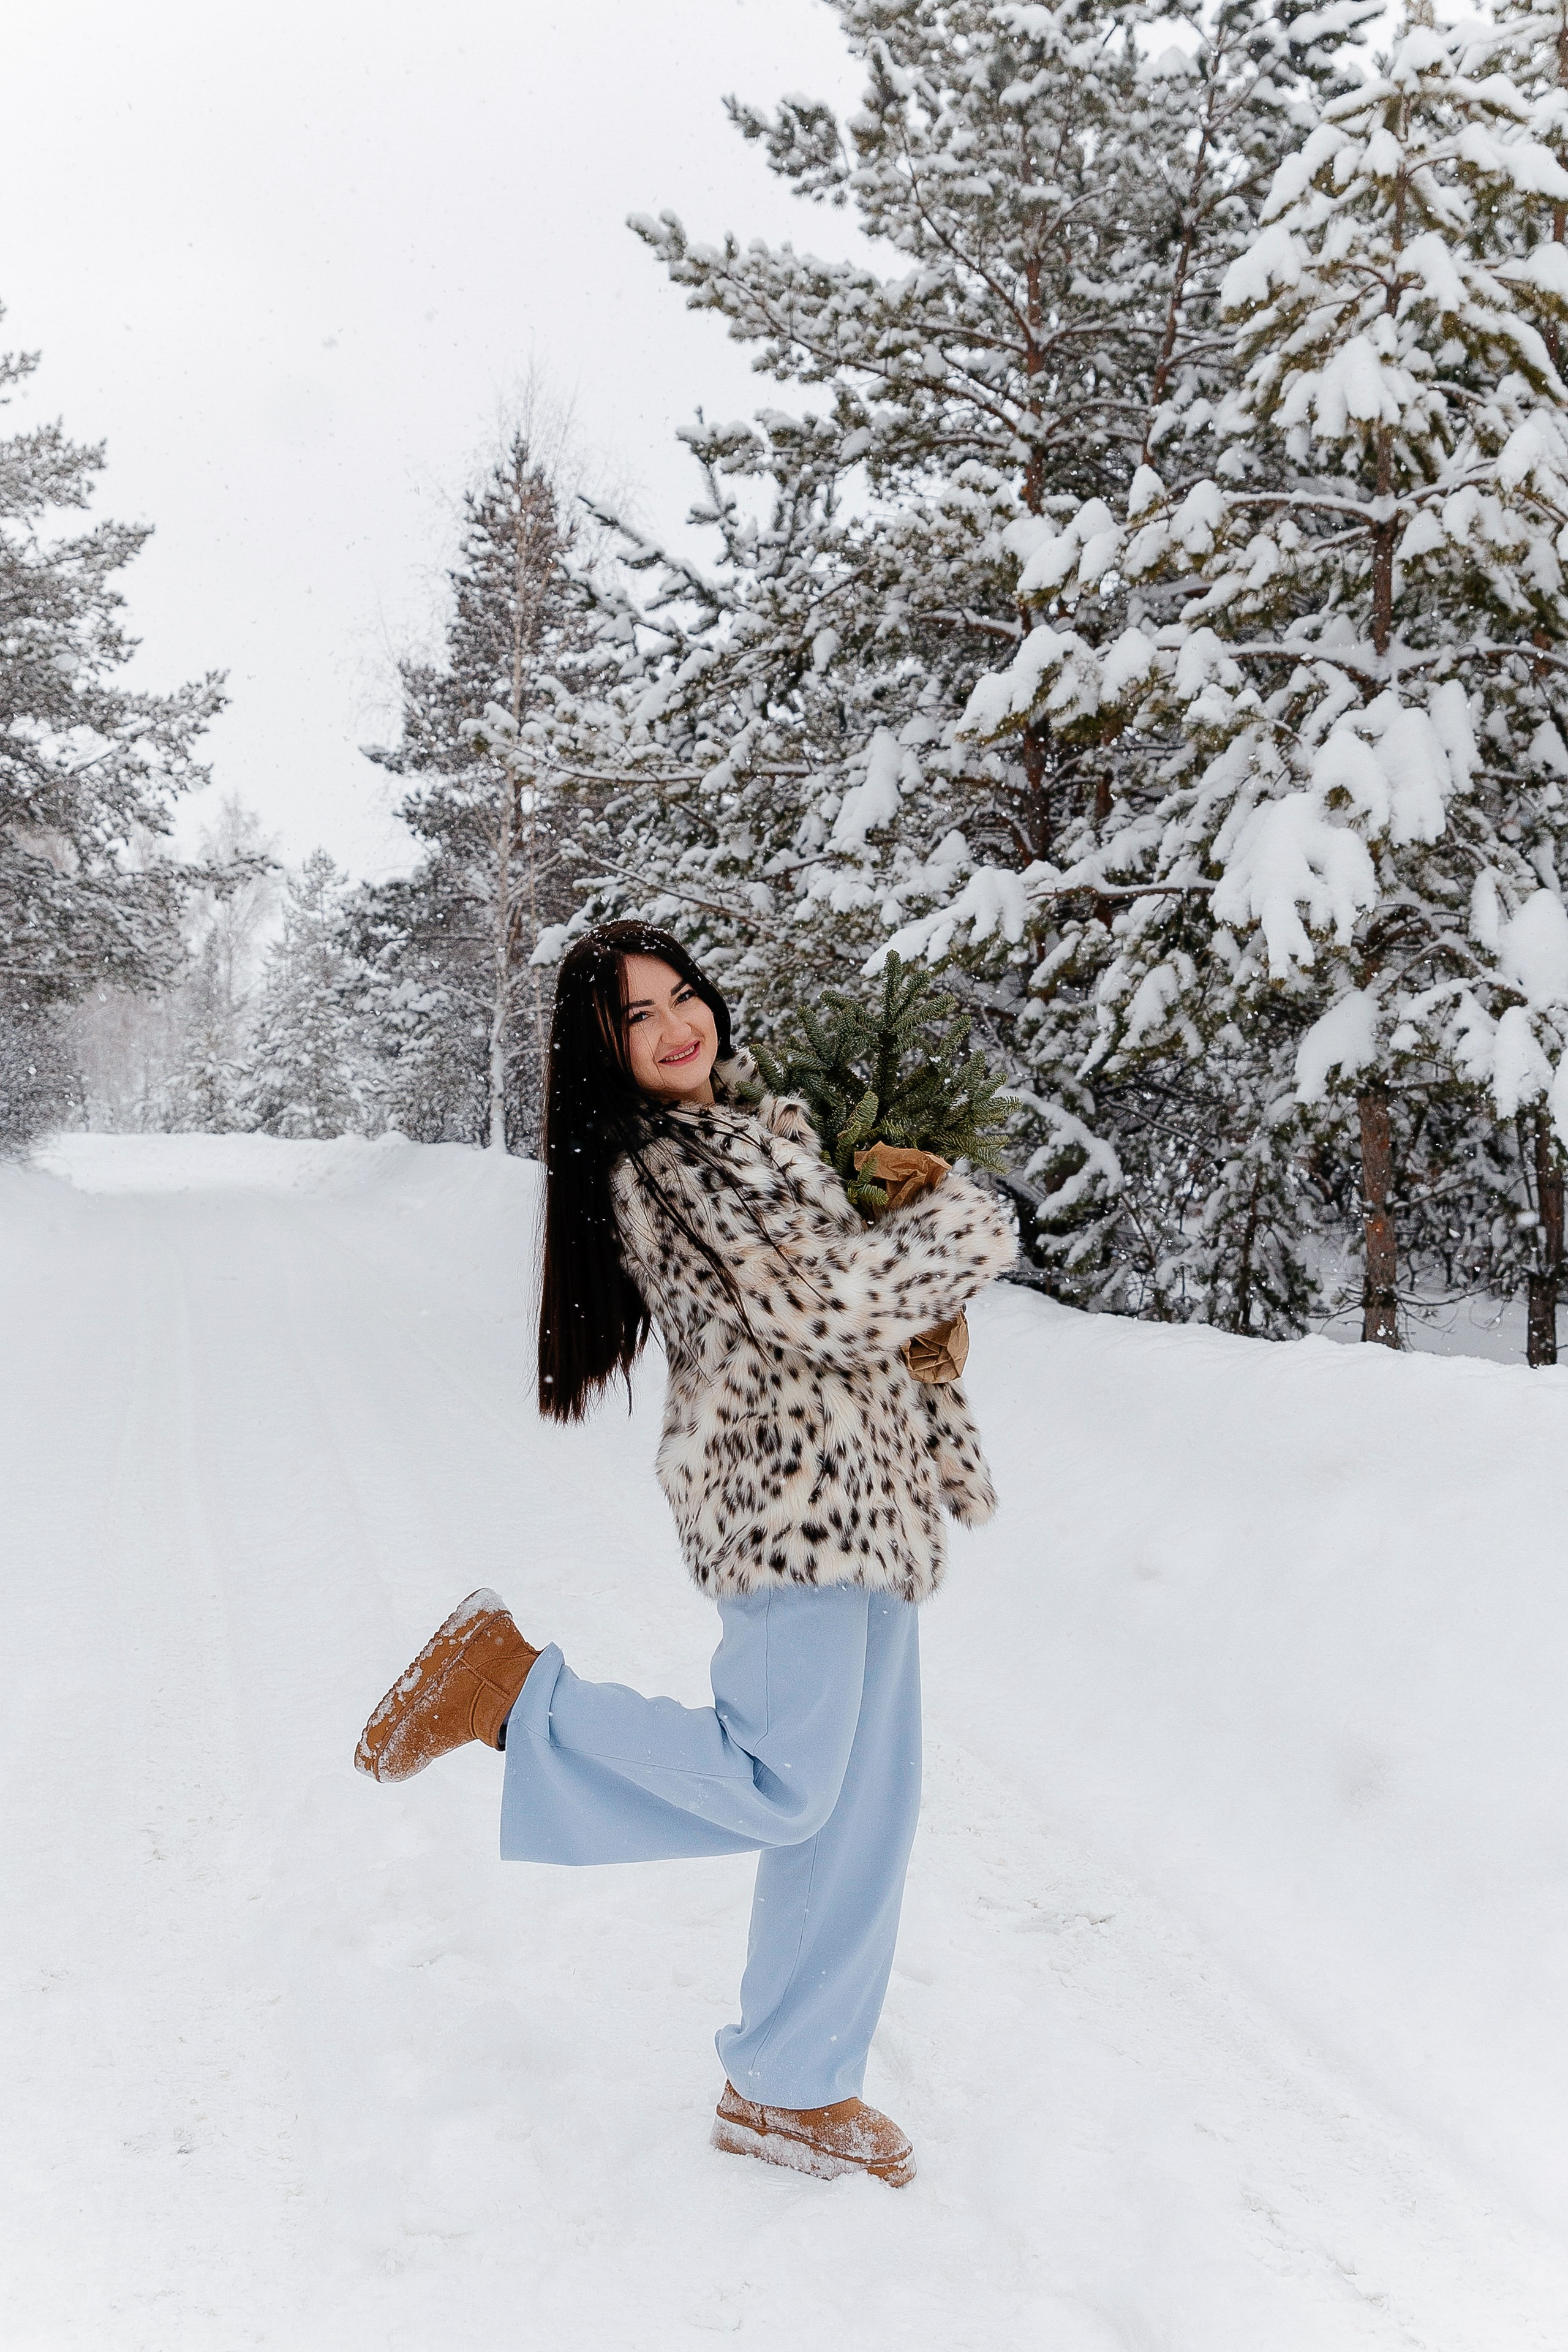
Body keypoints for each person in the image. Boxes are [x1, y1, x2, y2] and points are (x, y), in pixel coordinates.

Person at [355, 921, 1015, 2186]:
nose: (677, 1025)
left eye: (682, 996)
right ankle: (511, 1692)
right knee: (781, 1782)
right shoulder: (661, 1164)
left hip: (865, 1496)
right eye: (638, 1017)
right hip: (786, 1505)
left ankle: (789, 2088)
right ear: (604, 1056)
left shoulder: (745, 1139)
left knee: (862, 1807)